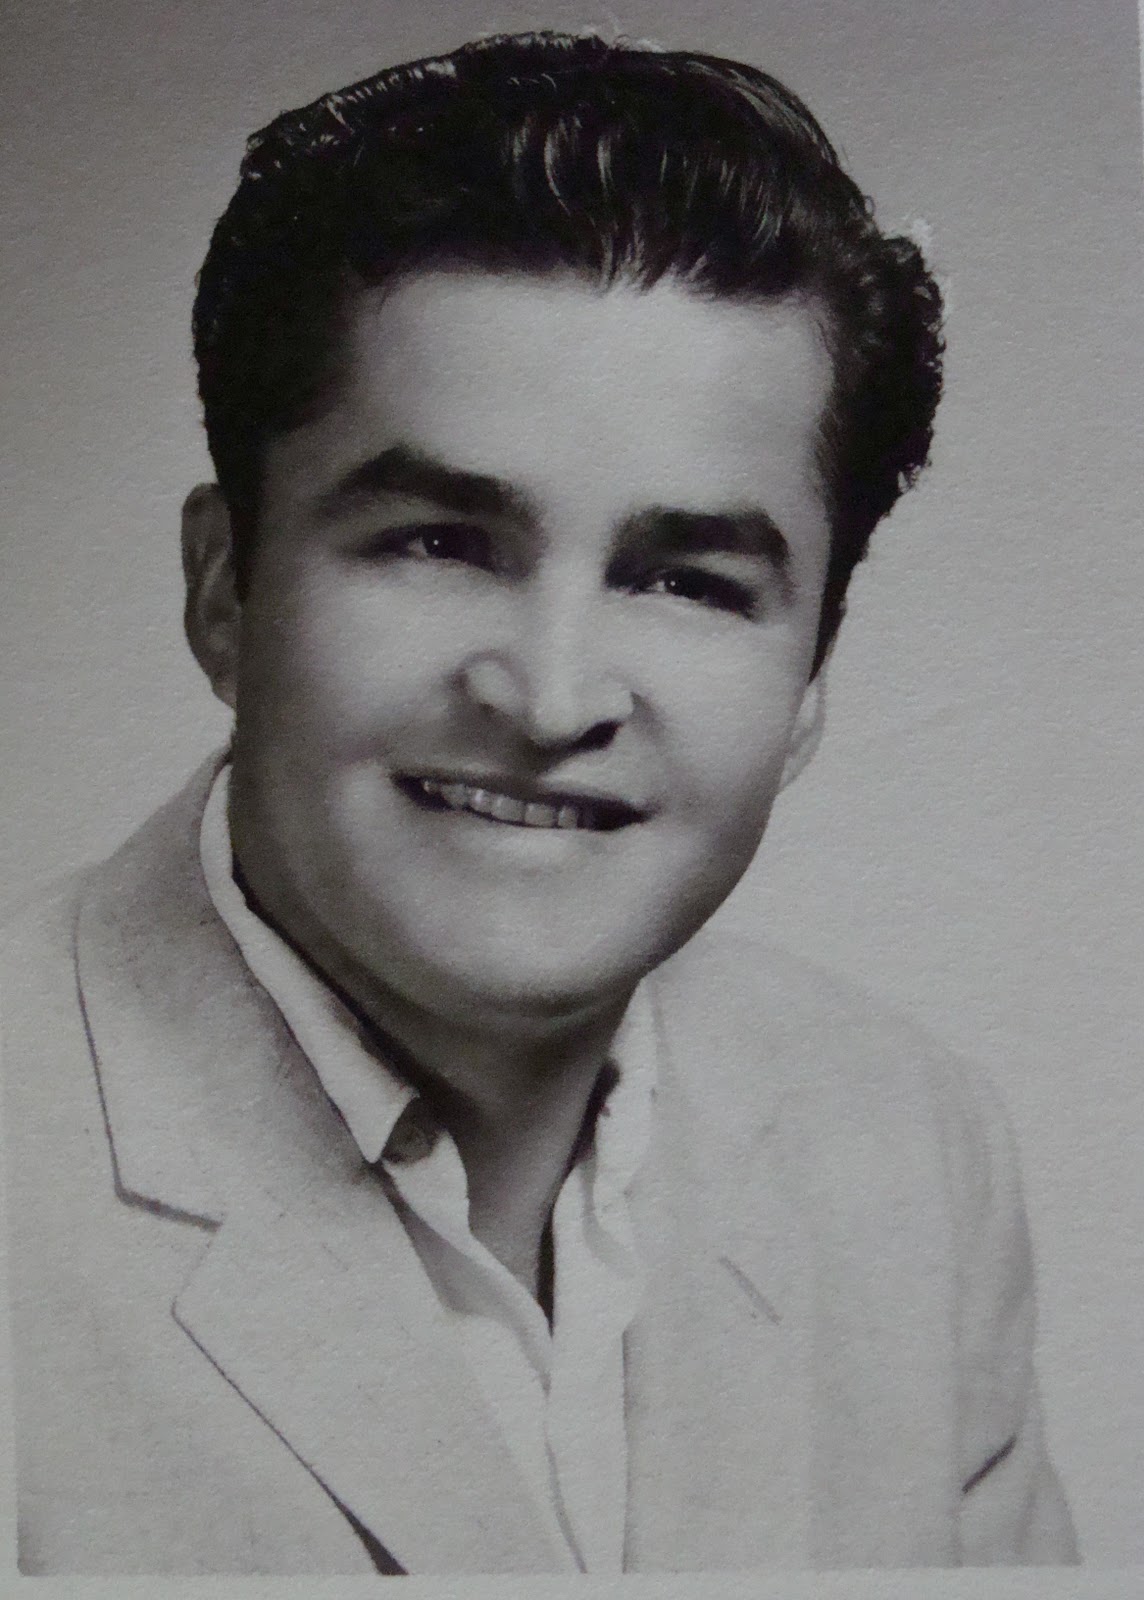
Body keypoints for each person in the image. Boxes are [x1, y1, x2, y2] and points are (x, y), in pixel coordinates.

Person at [0, 29, 1077, 1574]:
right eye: (439, 542)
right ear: (224, 591)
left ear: (811, 682)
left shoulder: (911, 1146)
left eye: (688, 580)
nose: (555, 696)